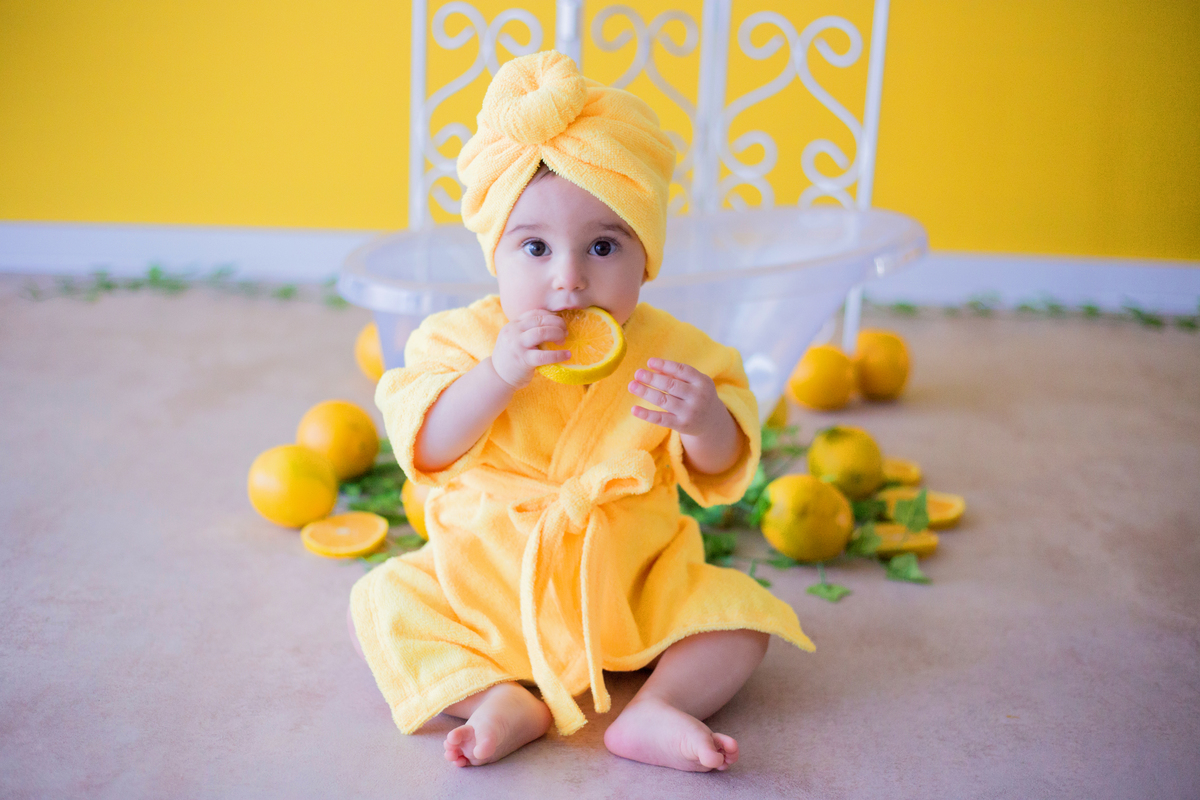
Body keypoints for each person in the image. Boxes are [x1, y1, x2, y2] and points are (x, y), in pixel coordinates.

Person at [349, 50, 813, 773]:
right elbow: (429, 448)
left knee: (742, 618)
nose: (569, 280)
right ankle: (496, 696)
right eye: (534, 247)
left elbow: (722, 472)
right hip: (488, 582)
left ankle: (660, 706)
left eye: (603, 245)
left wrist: (704, 420)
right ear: (495, 256)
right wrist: (496, 374)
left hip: (629, 585)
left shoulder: (676, 351)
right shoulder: (456, 341)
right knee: (383, 602)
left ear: (647, 256)